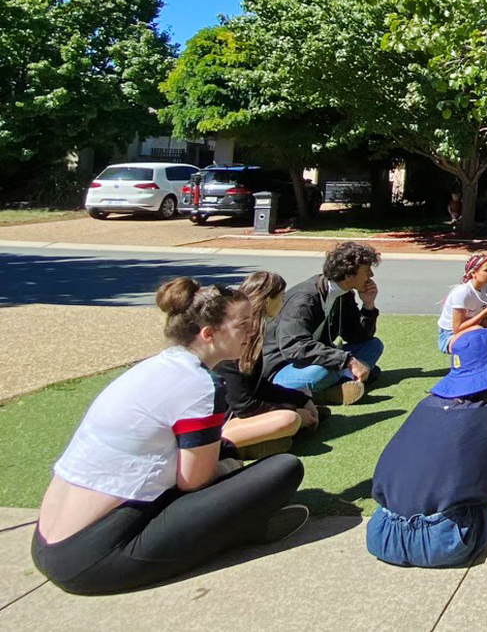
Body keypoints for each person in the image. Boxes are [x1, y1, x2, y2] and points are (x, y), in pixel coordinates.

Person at [32, 278, 307, 595]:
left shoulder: (154, 367)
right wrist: (230, 469)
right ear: (208, 334)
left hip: (47, 544)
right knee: (284, 468)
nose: (252, 332)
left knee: (227, 453)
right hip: (94, 558)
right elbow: (194, 482)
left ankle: (238, 523)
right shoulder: (199, 384)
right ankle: (243, 530)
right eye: (243, 325)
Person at [367, 329, 487, 568]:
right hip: (441, 544)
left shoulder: (424, 406)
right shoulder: (486, 418)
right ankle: (477, 526)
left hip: (382, 534)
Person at [263, 241, 384, 404]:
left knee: (374, 345)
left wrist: (368, 305)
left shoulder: (343, 294)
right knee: (322, 373)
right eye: (366, 270)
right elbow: (293, 347)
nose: (371, 275)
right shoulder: (304, 299)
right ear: (349, 274)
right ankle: (334, 384)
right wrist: (347, 361)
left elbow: (356, 337)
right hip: (280, 367)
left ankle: (336, 384)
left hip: (312, 360)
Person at [214, 271, 322, 453]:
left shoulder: (254, 336)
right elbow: (243, 405)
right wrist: (292, 410)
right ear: (266, 300)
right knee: (290, 420)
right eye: (281, 297)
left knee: (302, 402)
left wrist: (300, 400)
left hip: (241, 410)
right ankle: (238, 446)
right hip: (224, 421)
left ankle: (265, 440)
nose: (284, 302)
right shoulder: (236, 342)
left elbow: (258, 386)